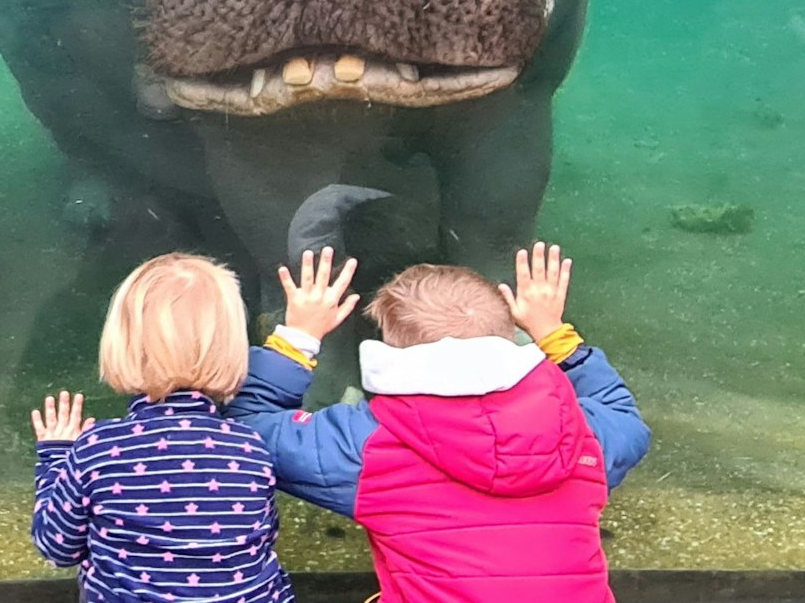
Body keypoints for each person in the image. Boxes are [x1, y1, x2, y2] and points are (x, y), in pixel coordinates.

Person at [227, 245, 651, 603]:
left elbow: (244, 434)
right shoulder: (581, 435)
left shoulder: (369, 445)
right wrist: (555, 334)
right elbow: (622, 415)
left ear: (390, 352)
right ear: (509, 334)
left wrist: (297, 339)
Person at [30, 253, 295, 603]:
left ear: (122, 345)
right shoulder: (250, 448)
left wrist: (56, 458)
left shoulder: (98, 450)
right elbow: (262, 540)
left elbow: (57, 547)